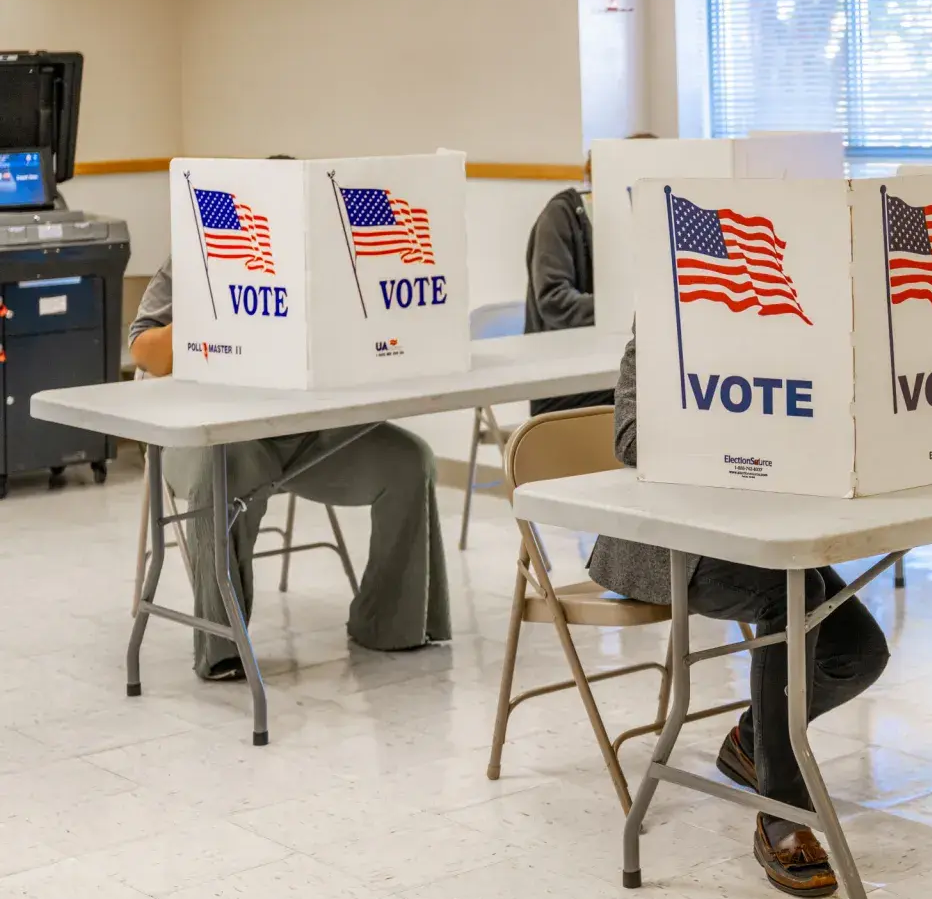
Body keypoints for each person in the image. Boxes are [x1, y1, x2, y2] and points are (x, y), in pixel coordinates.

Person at [587, 331, 889, 899]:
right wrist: (742, 415)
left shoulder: (797, 322)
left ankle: (752, 743)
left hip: (765, 525)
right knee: (792, 600)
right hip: (671, 539)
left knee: (858, 653)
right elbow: (630, 438)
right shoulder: (670, 319)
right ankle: (782, 813)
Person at [128, 257, 451, 681]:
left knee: (408, 462)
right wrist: (219, 309)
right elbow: (144, 352)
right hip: (202, 434)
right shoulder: (195, 252)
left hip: (301, 431)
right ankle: (222, 645)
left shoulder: (320, 250)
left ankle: (390, 623)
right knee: (223, 468)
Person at [523, 133, 656, 417]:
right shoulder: (561, 216)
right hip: (564, 382)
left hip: (615, 366)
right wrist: (633, 311)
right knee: (653, 395)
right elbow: (554, 300)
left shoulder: (644, 221)